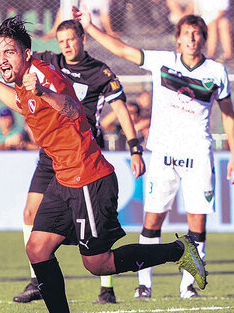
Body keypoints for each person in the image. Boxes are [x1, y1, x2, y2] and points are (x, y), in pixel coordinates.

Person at [0, 16, 207, 313]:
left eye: (9, 52)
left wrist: (44, 93)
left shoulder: (43, 77)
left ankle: (179, 251)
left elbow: (72, 108)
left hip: (88, 179)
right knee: (37, 248)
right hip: (62, 178)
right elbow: (20, 103)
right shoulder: (25, 78)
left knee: (97, 264)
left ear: (27, 54)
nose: (1, 59)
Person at [0, 11, 145, 304]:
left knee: (97, 261)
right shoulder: (43, 62)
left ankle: (157, 263)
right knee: (36, 241)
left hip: (84, 166)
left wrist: (134, 147)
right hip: (55, 160)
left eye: (71, 39)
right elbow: (9, 63)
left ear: (82, 40)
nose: (66, 45)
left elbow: (75, 109)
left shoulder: (75, 73)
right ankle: (38, 282)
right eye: (61, 40)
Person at [75, 7, 234, 299]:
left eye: (197, 34)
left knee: (197, 224)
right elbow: (123, 50)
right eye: (187, 34)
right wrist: (91, 28)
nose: (192, 39)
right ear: (178, 40)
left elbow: (228, 115)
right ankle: (144, 284)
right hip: (162, 155)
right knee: (152, 221)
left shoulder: (216, 71)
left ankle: (188, 285)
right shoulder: (163, 62)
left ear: (203, 39)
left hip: (199, 156)